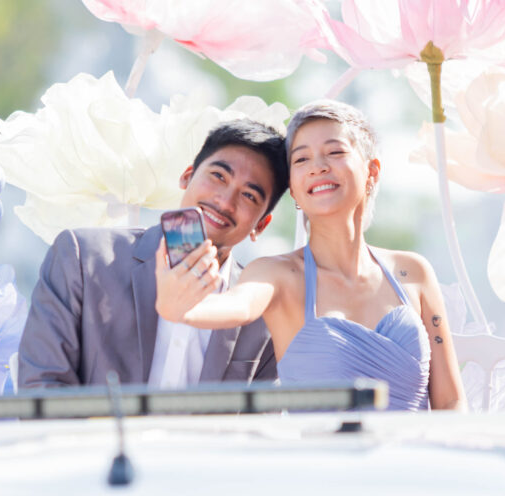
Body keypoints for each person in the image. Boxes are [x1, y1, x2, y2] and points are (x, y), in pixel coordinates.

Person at [156, 100, 467, 411]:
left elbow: (451, 400)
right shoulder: (276, 275)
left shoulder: (413, 272)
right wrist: (182, 308)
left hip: (416, 454)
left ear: (371, 171)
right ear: (293, 189)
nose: (318, 166)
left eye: (334, 152)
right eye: (301, 158)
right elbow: (236, 304)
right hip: (326, 458)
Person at [19, 119, 290, 388]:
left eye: (249, 196)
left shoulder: (262, 315)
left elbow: (262, 423)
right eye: (218, 176)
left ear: (262, 225)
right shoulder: (83, 259)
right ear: (187, 175)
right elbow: (42, 388)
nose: (225, 201)